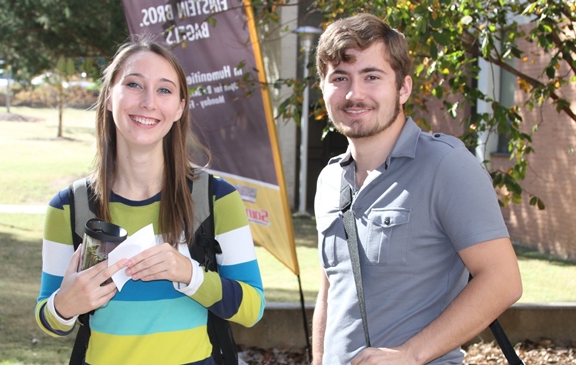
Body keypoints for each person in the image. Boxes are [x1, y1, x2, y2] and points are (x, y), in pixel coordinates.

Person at [34, 35, 265, 364]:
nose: (148, 102)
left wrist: (190, 274)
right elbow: (48, 317)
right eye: (133, 84)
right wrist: (64, 306)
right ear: (110, 97)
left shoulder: (217, 199)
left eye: (165, 89)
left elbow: (252, 309)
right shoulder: (69, 207)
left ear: (180, 107)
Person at [311, 13, 523, 365]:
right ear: (323, 88)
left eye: (371, 76)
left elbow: (502, 281)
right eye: (340, 78)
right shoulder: (329, 180)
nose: (354, 93)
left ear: (403, 87)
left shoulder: (446, 165)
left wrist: (410, 354)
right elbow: (332, 290)